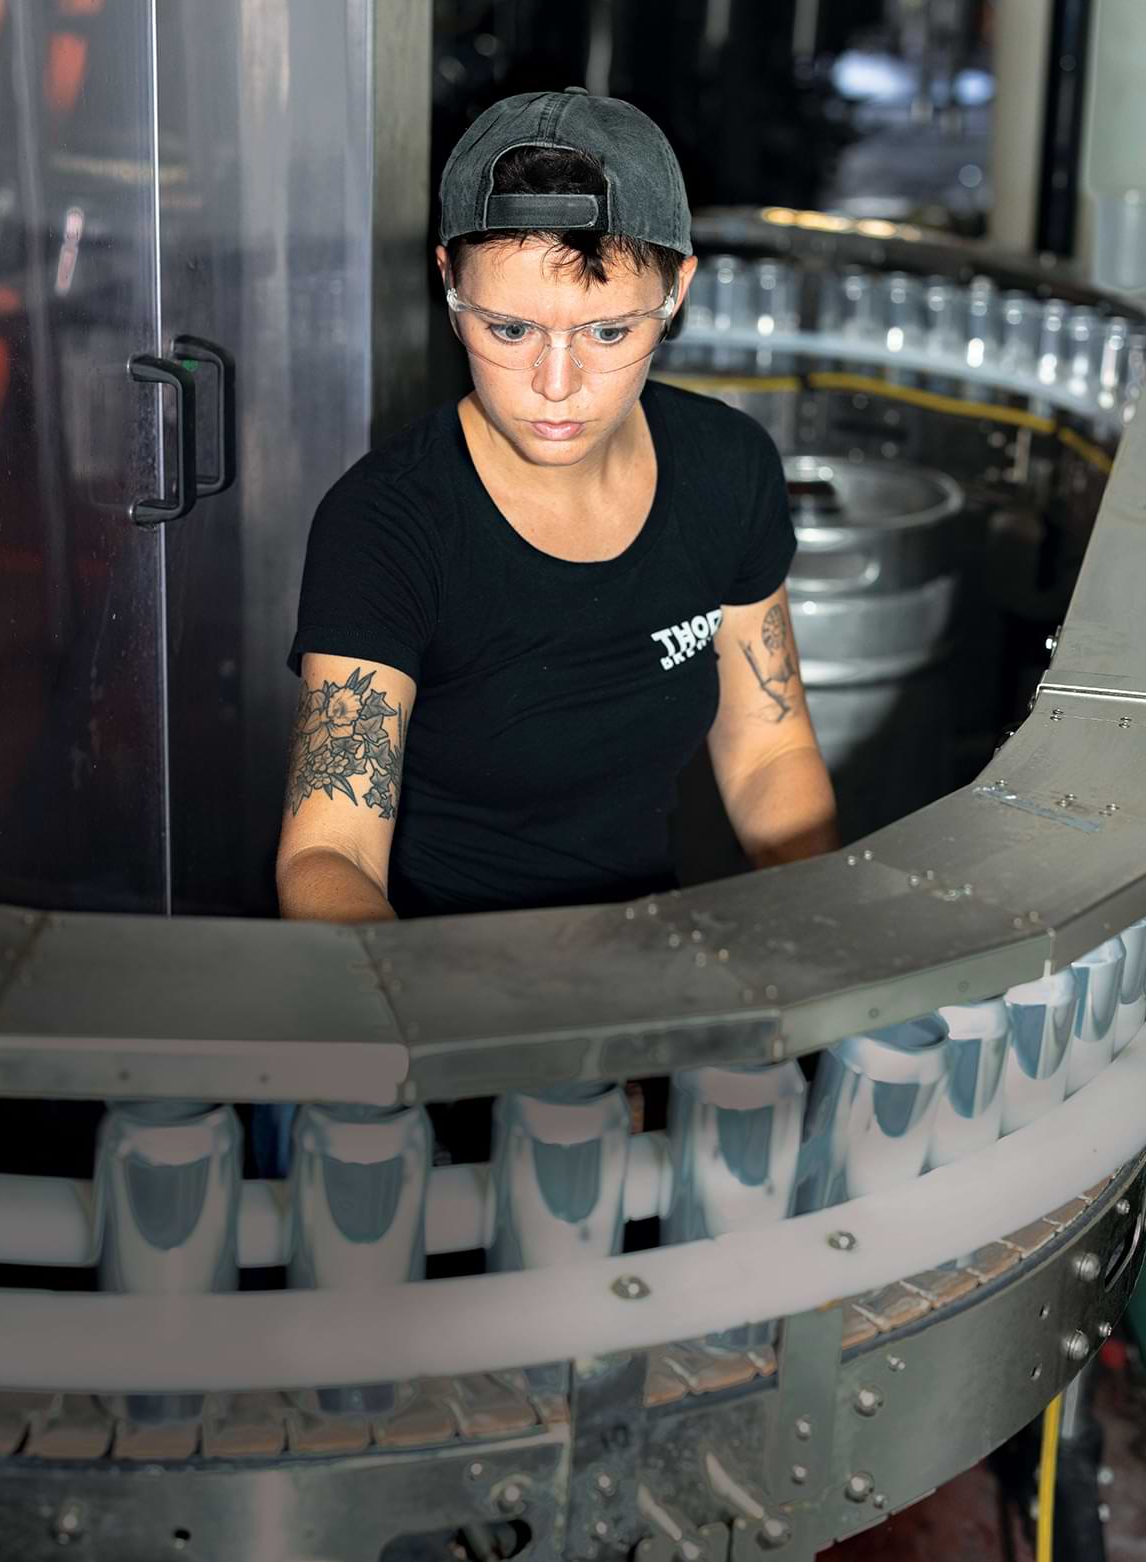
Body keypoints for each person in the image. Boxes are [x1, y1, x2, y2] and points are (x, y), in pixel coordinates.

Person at [269, 89, 838, 1171]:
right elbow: (328, 850)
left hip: (645, 992)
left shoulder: (726, 473)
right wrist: (485, 1049)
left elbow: (769, 751)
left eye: (609, 330)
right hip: (428, 1027)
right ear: (448, 287)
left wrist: (810, 968)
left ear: (678, 290)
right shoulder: (389, 525)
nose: (557, 386)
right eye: (510, 327)